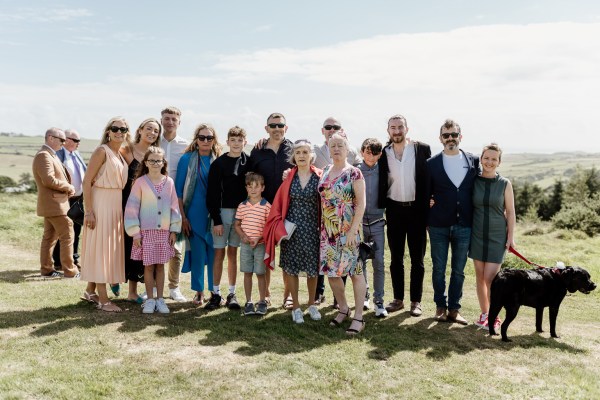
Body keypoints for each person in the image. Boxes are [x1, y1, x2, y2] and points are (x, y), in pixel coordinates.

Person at [427, 118, 479, 325]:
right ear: (440, 138)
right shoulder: (431, 164)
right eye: (446, 135)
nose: (451, 138)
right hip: (438, 224)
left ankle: (454, 310)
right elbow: (425, 192)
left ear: (460, 137)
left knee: (459, 269)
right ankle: (440, 306)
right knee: (439, 268)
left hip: (465, 224)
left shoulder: (473, 160)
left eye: (454, 135)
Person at [378, 114, 431, 317]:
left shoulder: (421, 149)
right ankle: (398, 299)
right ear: (388, 131)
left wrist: (431, 202)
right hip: (394, 210)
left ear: (407, 129)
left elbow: (430, 178)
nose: (397, 131)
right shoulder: (384, 152)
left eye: (400, 127)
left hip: (417, 210)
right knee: (396, 258)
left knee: (417, 259)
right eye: (393, 127)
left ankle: (416, 301)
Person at [265, 139, 322, 323]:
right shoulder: (289, 177)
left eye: (305, 152)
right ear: (294, 156)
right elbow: (279, 202)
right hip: (292, 230)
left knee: (313, 270)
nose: (302, 156)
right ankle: (296, 306)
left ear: (311, 155)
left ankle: (312, 304)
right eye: (298, 153)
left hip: (313, 230)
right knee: (291, 269)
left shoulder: (320, 176)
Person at [319, 132, 367, 335]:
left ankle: (358, 317)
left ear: (347, 149)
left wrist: (353, 230)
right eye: (333, 146)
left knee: (355, 273)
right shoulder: (325, 170)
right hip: (327, 232)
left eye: (340, 145)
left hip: (349, 231)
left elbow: (361, 203)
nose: (336, 149)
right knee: (331, 274)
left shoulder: (354, 172)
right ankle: (343, 308)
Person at [125, 147, 182, 314]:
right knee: (148, 267)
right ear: (146, 163)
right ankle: (149, 300)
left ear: (163, 163)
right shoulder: (140, 182)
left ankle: (160, 299)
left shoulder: (169, 182)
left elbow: (174, 208)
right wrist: (135, 232)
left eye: (158, 160)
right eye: (152, 160)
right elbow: (132, 208)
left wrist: (174, 230)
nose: (155, 163)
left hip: (164, 232)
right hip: (146, 232)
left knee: (160, 267)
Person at [80, 117, 129, 312]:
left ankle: (89, 291)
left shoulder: (121, 155)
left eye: (123, 129)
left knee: (106, 247)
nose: (119, 131)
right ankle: (103, 299)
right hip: (100, 204)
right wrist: (89, 211)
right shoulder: (102, 151)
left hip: (115, 206)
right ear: (108, 131)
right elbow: (86, 182)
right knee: (101, 248)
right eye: (115, 128)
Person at [250, 112, 294, 307]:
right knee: (264, 253)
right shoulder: (257, 151)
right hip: (264, 209)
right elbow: (250, 177)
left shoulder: (294, 149)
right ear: (266, 128)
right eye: (273, 125)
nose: (277, 128)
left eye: (280, 125)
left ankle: (288, 296)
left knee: (288, 253)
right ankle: (265, 295)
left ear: (286, 127)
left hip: (289, 208)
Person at [469, 143, 516, 329]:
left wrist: (511, 237)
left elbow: (511, 212)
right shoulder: (473, 181)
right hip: (477, 234)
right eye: (486, 158)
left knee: (491, 279)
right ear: (481, 159)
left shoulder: (505, 183)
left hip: (497, 235)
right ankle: (485, 314)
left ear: (499, 162)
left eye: (494, 159)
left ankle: (494, 316)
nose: (489, 162)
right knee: (480, 278)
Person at [205, 126, 250, 310]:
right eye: (233, 140)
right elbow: (212, 194)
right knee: (218, 253)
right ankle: (215, 293)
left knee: (233, 253)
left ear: (244, 142)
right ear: (227, 142)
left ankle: (232, 293)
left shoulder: (249, 162)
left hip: (241, 215)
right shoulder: (219, 164)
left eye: (240, 140)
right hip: (222, 213)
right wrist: (216, 219)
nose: (237, 143)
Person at [175, 123, 221, 306]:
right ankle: (199, 292)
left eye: (209, 138)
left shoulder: (218, 160)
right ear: (196, 139)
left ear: (214, 140)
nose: (205, 141)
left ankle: (214, 292)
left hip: (213, 215)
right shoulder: (186, 159)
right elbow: (178, 191)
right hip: (192, 213)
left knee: (213, 254)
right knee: (198, 254)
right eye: (202, 137)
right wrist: (183, 218)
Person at [120, 118, 162, 303]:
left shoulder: (155, 154)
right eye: (149, 129)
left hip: (146, 208)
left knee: (137, 247)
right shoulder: (126, 150)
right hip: (124, 203)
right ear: (140, 130)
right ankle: (115, 280)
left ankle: (133, 291)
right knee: (124, 245)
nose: (152, 133)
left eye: (156, 131)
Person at [32, 127, 79, 278]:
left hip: (54, 204)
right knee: (67, 234)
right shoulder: (44, 156)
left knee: (49, 237)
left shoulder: (49, 155)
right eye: (62, 140)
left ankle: (47, 269)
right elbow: (49, 180)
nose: (64, 143)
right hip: (55, 204)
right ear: (51, 138)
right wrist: (68, 187)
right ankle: (70, 271)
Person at [160, 106, 189, 302]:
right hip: (152, 202)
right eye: (167, 118)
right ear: (161, 120)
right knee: (155, 244)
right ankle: (153, 287)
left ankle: (174, 287)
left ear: (179, 122)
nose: (170, 122)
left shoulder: (186, 146)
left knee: (176, 246)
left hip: (177, 201)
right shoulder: (153, 142)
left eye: (174, 119)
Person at [357, 138, 388, 317]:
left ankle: (379, 301)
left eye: (375, 153)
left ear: (380, 154)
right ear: (362, 152)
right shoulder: (355, 170)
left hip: (377, 221)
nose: (371, 156)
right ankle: (364, 295)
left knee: (379, 262)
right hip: (359, 222)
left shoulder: (383, 170)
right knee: (360, 261)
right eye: (368, 152)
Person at [235, 173, 271, 315]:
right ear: (246, 188)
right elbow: (237, 224)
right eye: (250, 187)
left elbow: (269, 227)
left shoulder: (267, 206)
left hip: (260, 245)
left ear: (263, 188)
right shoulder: (242, 206)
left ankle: (262, 301)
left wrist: (259, 238)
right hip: (245, 246)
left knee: (260, 273)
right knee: (247, 273)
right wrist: (243, 236)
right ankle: (249, 302)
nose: (253, 190)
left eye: (257, 187)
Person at [52, 129, 86, 270]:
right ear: (68, 140)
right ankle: (59, 261)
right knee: (63, 231)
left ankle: (73, 257)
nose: (78, 144)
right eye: (76, 141)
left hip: (78, 199)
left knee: (76, 230)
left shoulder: (76, 154)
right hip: (64, 199)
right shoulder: (57, 155)